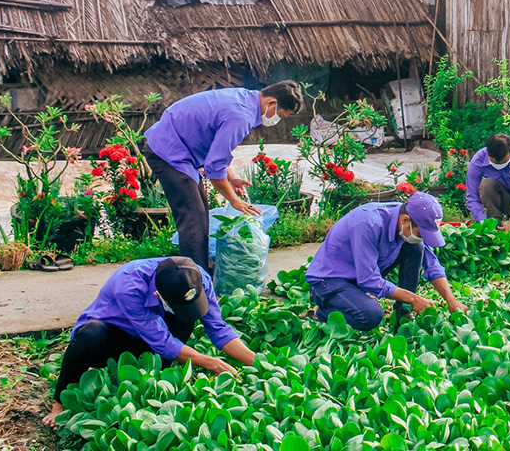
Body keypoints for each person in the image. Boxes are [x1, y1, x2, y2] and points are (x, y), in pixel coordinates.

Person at [44, 256, 254, 428]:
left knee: (184, 317)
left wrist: (257, 363)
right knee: (91, 334)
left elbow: (218, 328)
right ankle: (60, 405)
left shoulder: (196, 277)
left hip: (150, 340)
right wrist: (211, 363)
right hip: (114, 337)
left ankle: (156, 381)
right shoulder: (128, 285)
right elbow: (162, 341)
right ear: (157, 294)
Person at [144, 81, 303, 272]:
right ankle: (194, 279)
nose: (277, 119)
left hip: (179, 145)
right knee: (192, 216)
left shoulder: (245, 98)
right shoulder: (241, 116)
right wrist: (234, 200)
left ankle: (202, 267)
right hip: (168, 150)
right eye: (280, 115)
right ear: (271, 103)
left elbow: (218, 149)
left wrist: (232, 177)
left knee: (200, 210)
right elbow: (214, 169)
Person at [305, 193, 465, 331]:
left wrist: (451, 299)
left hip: (358, 276)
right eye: (420, 233)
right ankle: (322, 313)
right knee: (371, 315)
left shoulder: (405, 220)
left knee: (417, 247)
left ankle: (403, 312)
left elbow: (432, 265)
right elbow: (369, 280)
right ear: (406, 220)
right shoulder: (367, 223)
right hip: (328, 282)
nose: (421, 237)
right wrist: (414, 298)